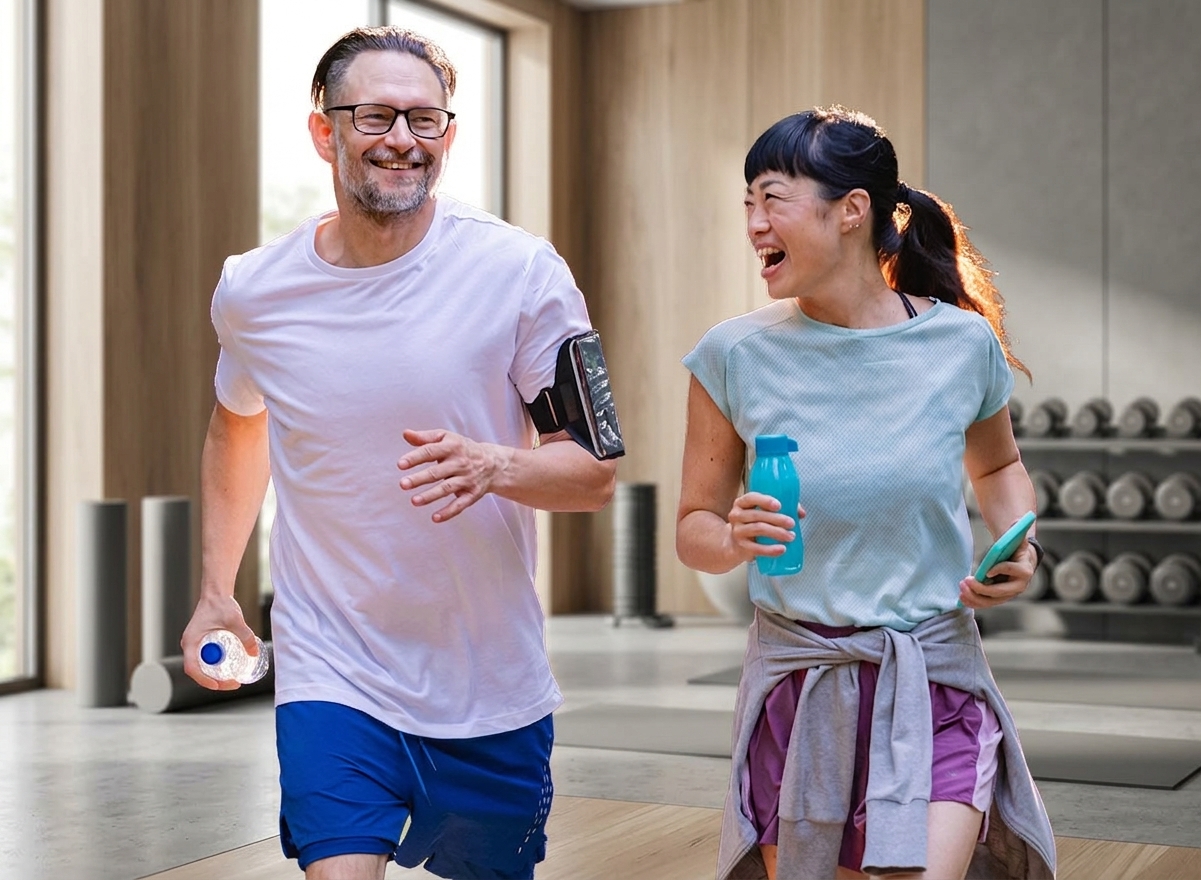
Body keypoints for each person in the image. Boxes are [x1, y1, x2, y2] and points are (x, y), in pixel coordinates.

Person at [181, 26, 619, 880]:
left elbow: (594, 474)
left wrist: (496, 465)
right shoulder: (255, 291)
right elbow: (238, 424)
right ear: (324, 131)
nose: (400, 141)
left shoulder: (522, 273)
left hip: (487, 683)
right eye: (375, 115)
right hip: (330, 667)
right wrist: (213, 592)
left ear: (447, 136)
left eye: (424, 120)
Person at [675, 106, 1057, 880]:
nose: (753, 223)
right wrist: (731, 537)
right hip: (801, 688)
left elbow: (997, 468)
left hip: (935, 677)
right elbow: (693, 526)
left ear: (851, 210)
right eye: (746, 201)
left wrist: (1019, 541)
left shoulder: (960, 342)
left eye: (772, 197)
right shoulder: (732, 355)